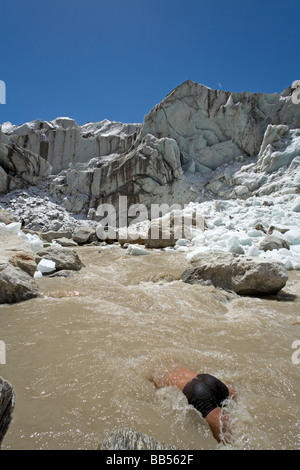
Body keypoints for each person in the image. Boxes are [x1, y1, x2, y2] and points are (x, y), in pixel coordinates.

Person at [151, 365, 237, 444]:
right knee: (237, 400)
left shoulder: (156, 379)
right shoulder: (176, 366)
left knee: (226, 440)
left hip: (196, 390)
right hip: (207, 378)